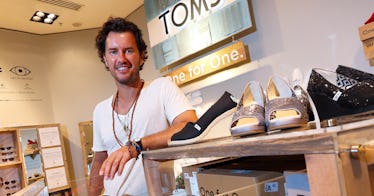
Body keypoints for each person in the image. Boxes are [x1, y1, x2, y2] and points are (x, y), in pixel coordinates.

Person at [89, 17, 197, 195]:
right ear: (105, 59)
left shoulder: (162, 88)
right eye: (113, 52)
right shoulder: (100, 110)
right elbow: (99, 162)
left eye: (128, 50)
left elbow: (189, 124)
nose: (121, 58)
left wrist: (137, 146)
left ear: (141, 56)